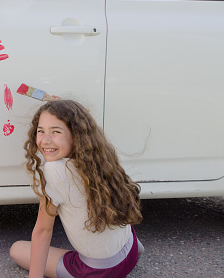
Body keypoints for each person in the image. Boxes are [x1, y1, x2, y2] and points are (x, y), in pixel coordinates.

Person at [10, 100, 144, 278]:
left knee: (16, 249)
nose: (45, 140)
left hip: (101, 272)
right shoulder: (99, 158)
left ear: (76, 134)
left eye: (56, 132)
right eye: (41, 131)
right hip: (131, 251)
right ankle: (135, 251)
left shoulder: (55, 170)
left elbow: (43, 231)